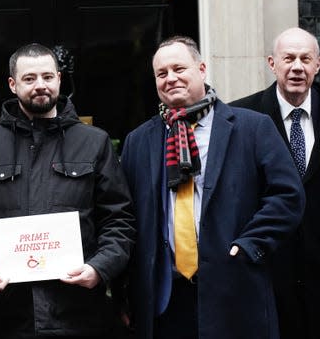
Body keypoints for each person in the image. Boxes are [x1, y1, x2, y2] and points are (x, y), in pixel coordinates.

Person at [0, 43, 135, 339]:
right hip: (9, 316)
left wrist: (99, 268)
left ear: (59, 78)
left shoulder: (94, 142)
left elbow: (118, 219)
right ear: (12, 84)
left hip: (80, 314)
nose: (40, 86)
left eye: (47, 77)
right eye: (29, 78)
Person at [120, 36, 305, 339]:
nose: (171, 78)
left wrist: (251, 244)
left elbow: (288, 196)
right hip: (165, 302)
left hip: (235, 291)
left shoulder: (252, 128)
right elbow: (126, 217)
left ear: (202, 69)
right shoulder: (137, 141)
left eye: (179, 68)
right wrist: (126, 291)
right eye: (161, 73)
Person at [231, 27, 320, 339]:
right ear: (272, 63)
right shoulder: (240, 117)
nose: (297, 67)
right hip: (268, 272)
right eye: (288, 58)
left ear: (317, 65)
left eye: (305, 59)